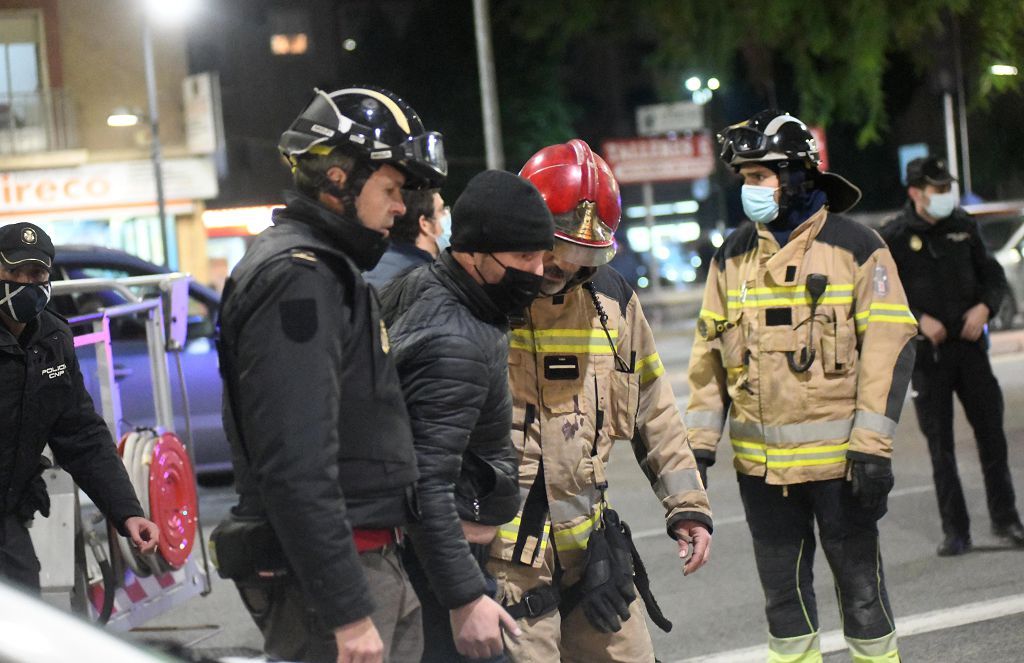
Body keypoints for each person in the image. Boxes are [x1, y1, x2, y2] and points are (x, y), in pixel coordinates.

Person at [215, 86, 446, 663]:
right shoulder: (299, 278)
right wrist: (346, 609)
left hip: (365, 557)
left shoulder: (326, 269)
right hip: (334, 577)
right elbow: (296, 461)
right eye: (391, 189)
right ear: (339, 179)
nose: (401, 209)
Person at [686, 110, 919, 662]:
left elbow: (890, 349)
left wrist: (872, 449)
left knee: (862, 597)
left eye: (760, 176)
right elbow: (708, 355)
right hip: (762, 473)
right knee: (783, 606)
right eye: (744, 178)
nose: (750, 189)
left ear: (797, 176)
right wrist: (696, 444)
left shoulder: (857, 248)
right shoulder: (732, 256)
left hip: (842, 468)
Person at [487, 139, 713, 663]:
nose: (564, 268)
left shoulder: (613, 301)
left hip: (594, 558)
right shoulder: (484, 299)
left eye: (583, 256)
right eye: (556, 251)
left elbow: (655, 407)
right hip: (507, 572)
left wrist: (688, 507)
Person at [379, 169, 554, 662]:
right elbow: (427, 481)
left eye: (542, 256)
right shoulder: (456, 340)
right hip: (441, 559)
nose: (537, 272)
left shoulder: (427, 287)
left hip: (427, 554)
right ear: (473, 254)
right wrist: (464, 596)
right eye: (523, 257)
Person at [0, 221, 159, 592]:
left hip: (7, 516)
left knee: (23, 625)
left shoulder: (52, 338)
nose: (25, 281)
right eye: (13, 271)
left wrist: (127, 512)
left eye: (36, 272)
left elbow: (81, 433)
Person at [880, 155, 1024, 556]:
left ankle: (1006, 518)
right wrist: (918, 318)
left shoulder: (963, 226)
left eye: (947, 188)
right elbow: (882, 296)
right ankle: (955, 530)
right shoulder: (893, 236)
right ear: (916, 193)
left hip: (971, 350)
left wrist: (985, 308)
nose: (945, 195)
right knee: (940, 446)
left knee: (992, 437)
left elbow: (992, 277)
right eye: (937, 189)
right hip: (929, 359)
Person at [364, 188, 449, 289]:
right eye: (441, 210)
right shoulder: (423, 283)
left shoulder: (376, 265)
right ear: (424, 224)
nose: (447, 214)